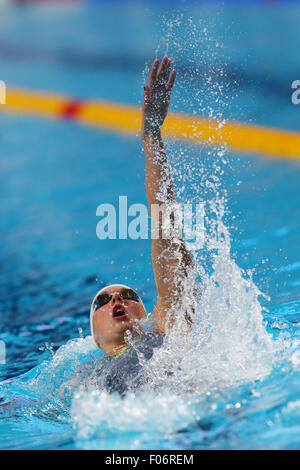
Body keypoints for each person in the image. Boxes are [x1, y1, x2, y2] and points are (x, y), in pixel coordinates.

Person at [89, 56, 195, 395]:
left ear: (148, 312)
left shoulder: (163, 330)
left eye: (129, 295)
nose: (115, 299)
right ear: (92, 334)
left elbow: (166, 232)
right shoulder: (80, 382)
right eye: (102, 302)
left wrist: (151, 135)